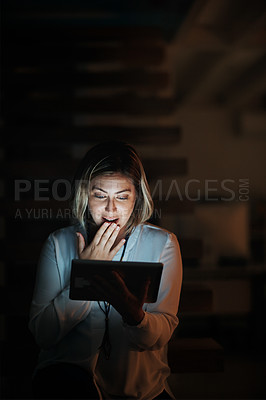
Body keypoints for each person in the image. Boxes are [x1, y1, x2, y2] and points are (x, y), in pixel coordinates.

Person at [29, 141, 183, 399]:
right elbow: (43, 334)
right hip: (66, 383)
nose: (111, 209)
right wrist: (87, 273)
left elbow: (162, 332)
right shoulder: (58, 243)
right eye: (100, 195)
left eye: (122, 197)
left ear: (137, 197)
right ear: (84, 196)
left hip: (140, 390)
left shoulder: (163, 244)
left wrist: (136, 316)